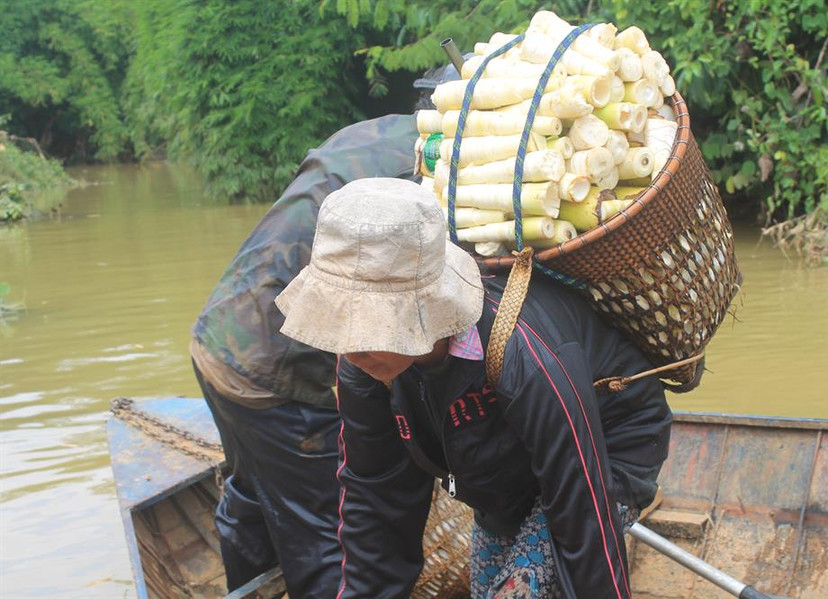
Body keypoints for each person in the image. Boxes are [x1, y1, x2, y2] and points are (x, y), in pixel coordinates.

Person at [275, 178, 673, 598]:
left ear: (422, 307)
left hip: (604, 450)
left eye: (367, 325)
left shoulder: (522, 352)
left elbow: (583, 515)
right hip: (499, 468)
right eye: (341, 323)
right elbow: (375, 499)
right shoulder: (364, 364)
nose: (349, 347)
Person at [189, 115, 420, 597]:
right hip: (282, 368)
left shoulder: (368, 132)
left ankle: (246, 586)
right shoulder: (426, 169)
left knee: (252, 490)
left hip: (221, 335)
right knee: (328, 539)